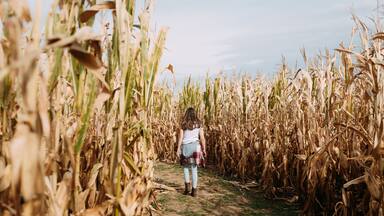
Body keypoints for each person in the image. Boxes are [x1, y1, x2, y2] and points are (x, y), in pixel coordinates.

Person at [176, 107, 206, 197]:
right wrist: (204, 149)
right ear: (194, 114)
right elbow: (202, 138)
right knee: (194, 169)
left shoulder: (183, 124)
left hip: (186, 147)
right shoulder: (199, 124)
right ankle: (194, 191)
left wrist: (178, 148)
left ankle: (187, 188)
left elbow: (180, 138)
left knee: (185, 167)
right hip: (196, 147)